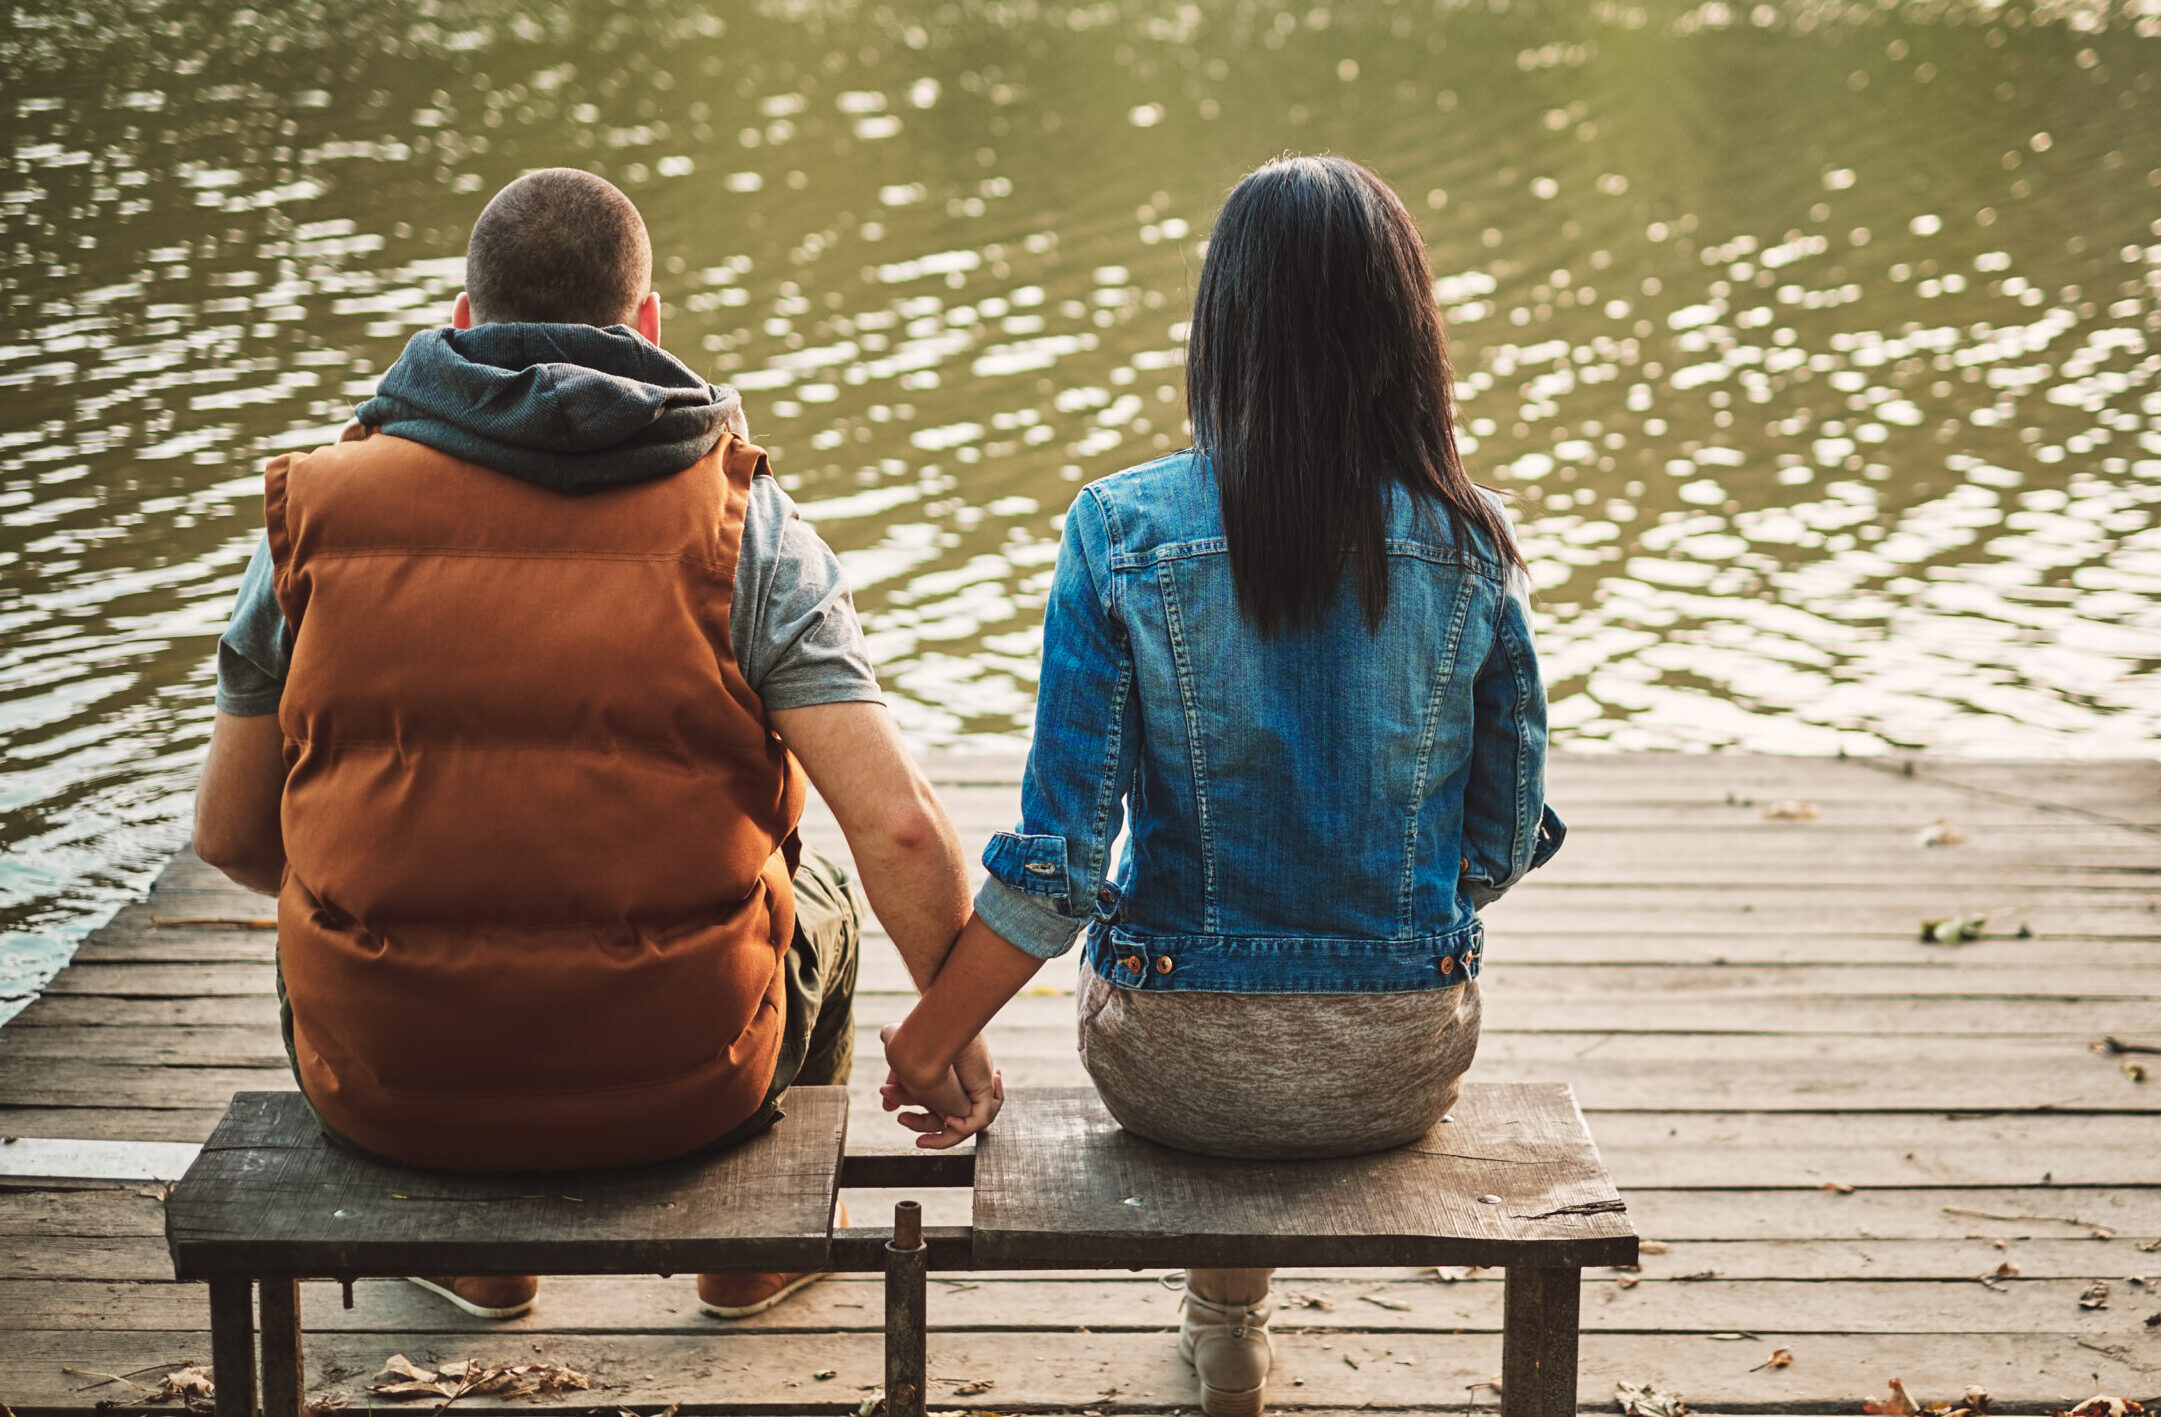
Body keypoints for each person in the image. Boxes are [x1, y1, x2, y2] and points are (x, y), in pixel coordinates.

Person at [190, 168, 1002, 1325]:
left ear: (462, 320)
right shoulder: (747, 523)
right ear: (649, 324)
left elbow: (229, 835)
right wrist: (950, 1026)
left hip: (384, 1083)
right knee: (812, 882)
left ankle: (483, 1266)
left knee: (325, 909)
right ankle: (750, 1257)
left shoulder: (311, 511)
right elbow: (903, 827)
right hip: (687, 1086)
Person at [876, 154, 1565, 1417]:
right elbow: (1503, 840)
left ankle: (1225, 1315)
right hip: (1400, 1055)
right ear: (1402, 335)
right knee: (1307, 954)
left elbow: (1064, 867)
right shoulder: (1476, 545)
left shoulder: (1120, 530)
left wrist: (933, 1033)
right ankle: (1230, 1322)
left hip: (1173, 1065)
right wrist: (1381, 896)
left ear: (1222, 329)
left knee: (1198, 964)